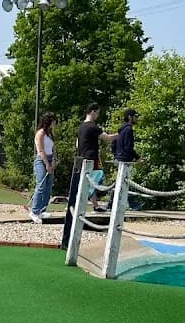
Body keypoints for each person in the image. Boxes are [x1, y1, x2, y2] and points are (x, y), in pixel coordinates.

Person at [60, 103, 118, 248]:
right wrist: (121, 133)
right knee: (96, 178)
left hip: (81, 159)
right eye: (97, 113)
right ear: (92, 112)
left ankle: (94, 203)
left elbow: (77, 144)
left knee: (85, 184)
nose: (98, 116)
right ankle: (88, 196)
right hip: (91, 159)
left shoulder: (81, 127)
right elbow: (108, 138)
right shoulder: (93, 127)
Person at [28, 112, 57, 222]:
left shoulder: (49, 133)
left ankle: (43, 210)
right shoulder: (40, 133)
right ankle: (34, 211)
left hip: (50, 158)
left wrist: (53, 160)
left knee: (48, 186)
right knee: (41, 185)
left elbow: (53, 148)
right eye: (53, 121)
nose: (55, 124)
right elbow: (40, 150)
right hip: (41, 160)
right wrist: (47, 164)